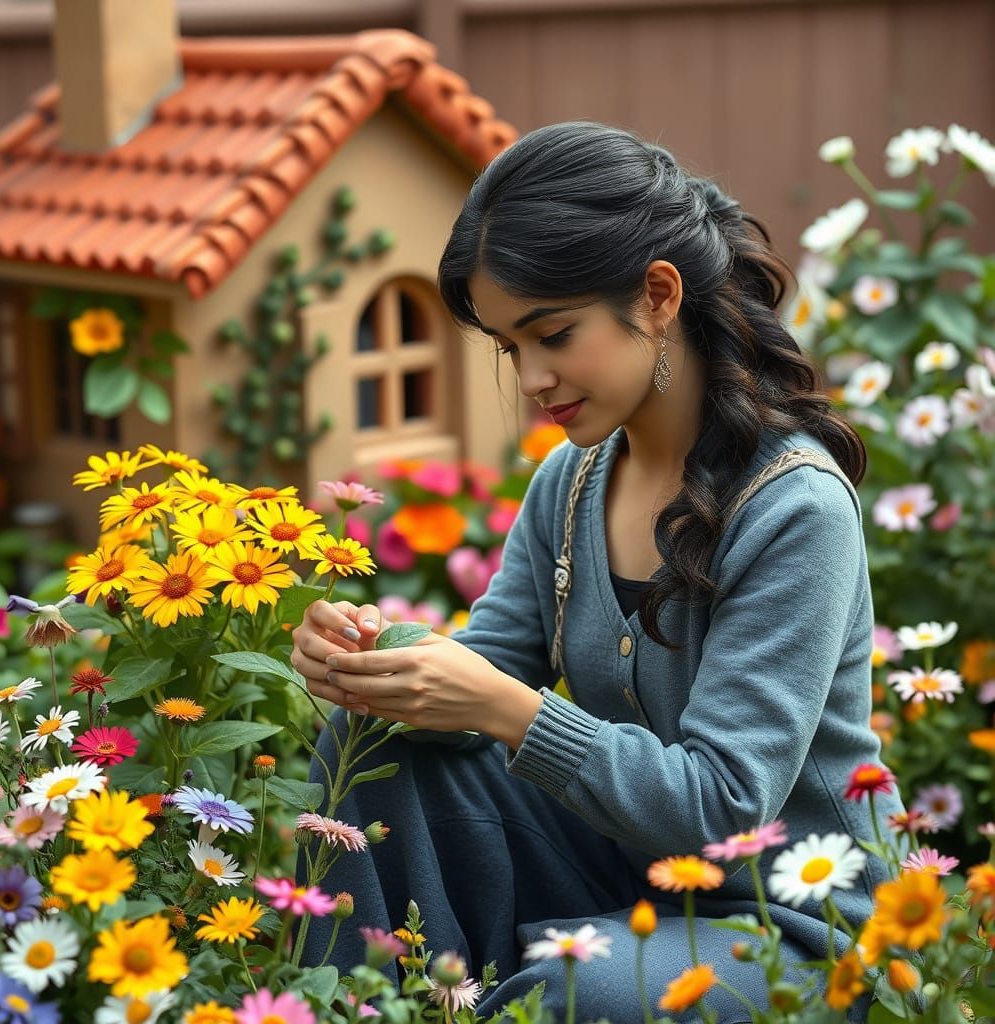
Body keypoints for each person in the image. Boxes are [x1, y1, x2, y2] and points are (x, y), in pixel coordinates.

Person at [290, 121, 903, 1022]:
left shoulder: (793, 508)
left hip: (796, 919)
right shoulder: (572, 480)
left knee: (580, 994)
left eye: (554, 333)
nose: (532, 376)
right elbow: (489, 668)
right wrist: (378, 662)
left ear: (658, 296)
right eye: (509, 347)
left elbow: (727, 808)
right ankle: (343, 1006)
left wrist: (503, 707)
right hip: (626, 868)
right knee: (374, 750)